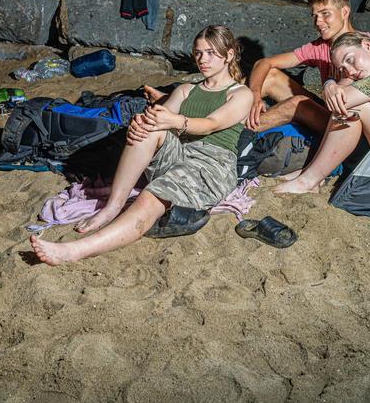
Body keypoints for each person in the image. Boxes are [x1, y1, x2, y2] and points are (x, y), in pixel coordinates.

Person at [30, 25, 254, 265]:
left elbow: (211, 124)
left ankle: (72, 251)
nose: (202, 59)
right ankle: (112, 207)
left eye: (210, 53)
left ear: (229, 55)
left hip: (212, 165)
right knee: (147, 128)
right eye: (198, 53)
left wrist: (173, 121)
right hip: (180, 154)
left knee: (150, 198)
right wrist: (143, 122)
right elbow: (160, 119)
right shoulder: (187, 90)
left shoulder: (240, 93)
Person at [275, 31, 370, 194]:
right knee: (348, 108)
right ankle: (311, 175)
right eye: (343, 68)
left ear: (368, 45)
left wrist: (330, 85)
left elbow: (341, 101)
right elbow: (338, 92)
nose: (350, 71)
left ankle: (309, 180)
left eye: (350, 59)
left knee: (352, 108)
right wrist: (330, 82)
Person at [245, 0, 370, 137]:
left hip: (353, 123)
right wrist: (255, 96)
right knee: (270, 76)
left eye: (325, 13)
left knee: (297, 104)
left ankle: (232, 134)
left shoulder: (369, 45)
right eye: (315, 16)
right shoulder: (319, 47)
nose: (318, 22)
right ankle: (217, 109)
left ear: (344, 12)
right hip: (327, 109)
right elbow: (264, 63)